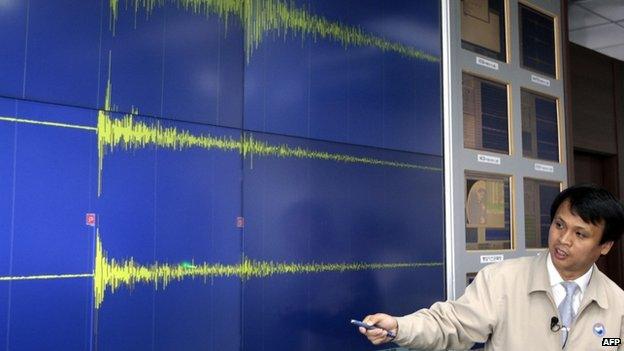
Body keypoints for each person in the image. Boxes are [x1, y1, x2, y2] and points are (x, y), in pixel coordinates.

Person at [358, 184, 624, 350]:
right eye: (559, 225)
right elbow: (451, 325)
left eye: (580, 234)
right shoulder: (502, 280)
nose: (563, 239)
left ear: (605, 246)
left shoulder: (618, 305)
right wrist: (398, 327)